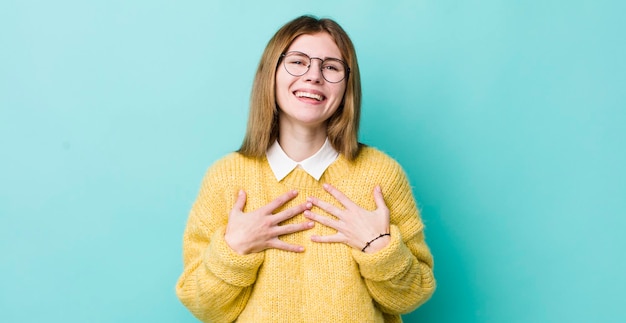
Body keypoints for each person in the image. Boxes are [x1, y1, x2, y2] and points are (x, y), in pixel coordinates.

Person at [176, 15, 435, 322]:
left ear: (347, 86)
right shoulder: (226, 178)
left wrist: (378, 247)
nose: (314, 76)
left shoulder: (381, 174)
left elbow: (412, 295)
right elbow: (203, 305)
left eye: (331, 67)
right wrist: (236, 248)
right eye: (298, 62)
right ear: (271, 73)